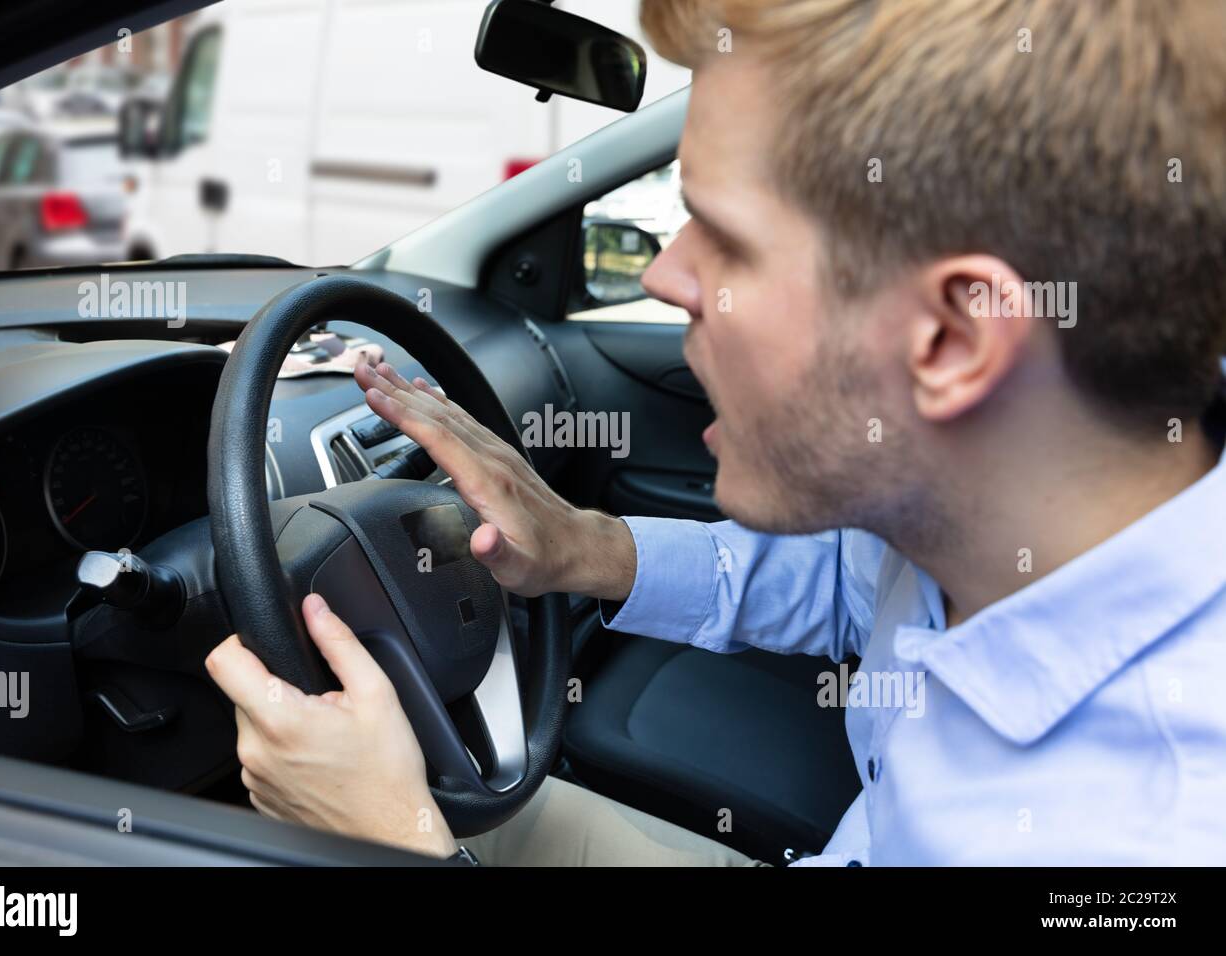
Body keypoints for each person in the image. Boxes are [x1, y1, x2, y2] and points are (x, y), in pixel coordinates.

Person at [204, 0, 1226, 865]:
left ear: (952, 336)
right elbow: (847, 581)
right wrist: (580, 548)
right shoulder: (998, 532)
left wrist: (393, 839)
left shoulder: (1130, 837)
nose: (660, 276)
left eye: (724, 239)